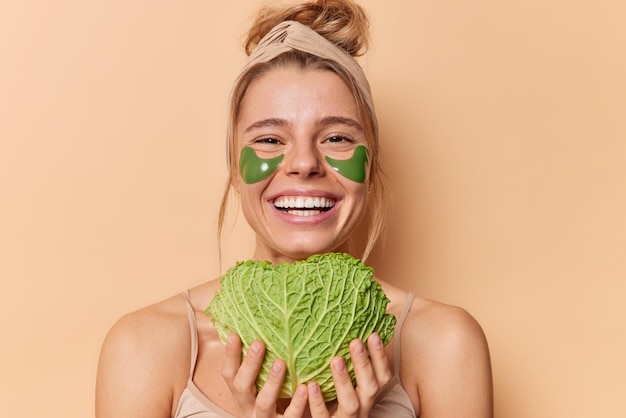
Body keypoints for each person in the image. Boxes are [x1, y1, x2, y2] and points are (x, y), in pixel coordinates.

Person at [95, 0, 494, 417]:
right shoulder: (145, 348)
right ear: (234, 168)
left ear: (370, 166)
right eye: (269, 139)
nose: (304, 163)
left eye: (337, 138)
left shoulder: (443, 345)